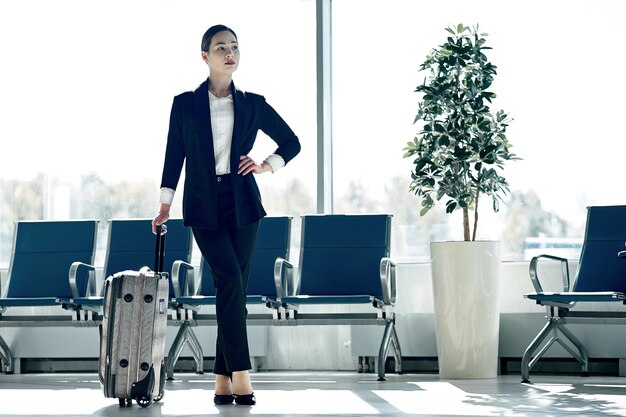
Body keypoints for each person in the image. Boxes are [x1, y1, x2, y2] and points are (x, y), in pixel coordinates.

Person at [152, 24, 301, 406]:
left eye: (234, 46)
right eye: (220, 48)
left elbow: (291, 142)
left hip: (244, 205)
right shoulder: (184, 104)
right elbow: (174, 156)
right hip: (203, 205)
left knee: (231, 288)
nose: (229, 53)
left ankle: (221, 379)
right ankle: (242, 374)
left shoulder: (252, 102)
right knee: (230, 279)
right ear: (205, 56)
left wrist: (267, 165)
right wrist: (165, 205)